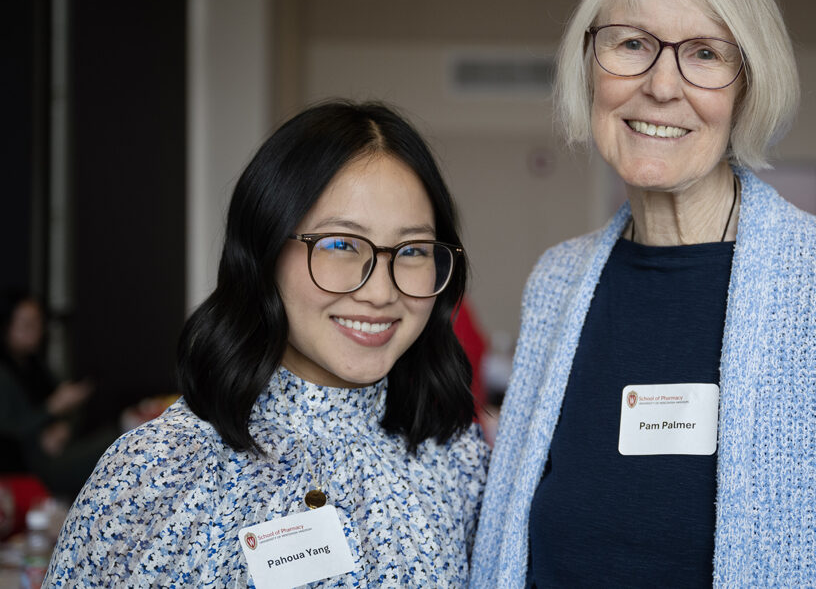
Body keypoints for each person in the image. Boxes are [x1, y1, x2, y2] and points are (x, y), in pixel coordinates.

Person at [470, 0, 816, 587]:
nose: (660, 84)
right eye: (631, 43)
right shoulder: (555, 283)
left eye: (702, 53)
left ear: (745, 85)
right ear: (590, 64)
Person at [44, 101, 489, 586]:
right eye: (341, 243)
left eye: (413, 250)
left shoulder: (456, 460)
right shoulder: (157, 473)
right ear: (265, 248)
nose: (381, 291)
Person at [0, 290, 100, 497]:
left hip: (58, 451)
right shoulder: (5, 373)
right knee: (113, 448)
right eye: (26, 325)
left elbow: (67, 410)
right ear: (6, 325)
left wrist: (63, 427)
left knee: (114, 440)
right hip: (27, 465)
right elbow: (9, 431)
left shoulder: (36, 365)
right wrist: (51, 409)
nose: (35, 331)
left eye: (38, 324)